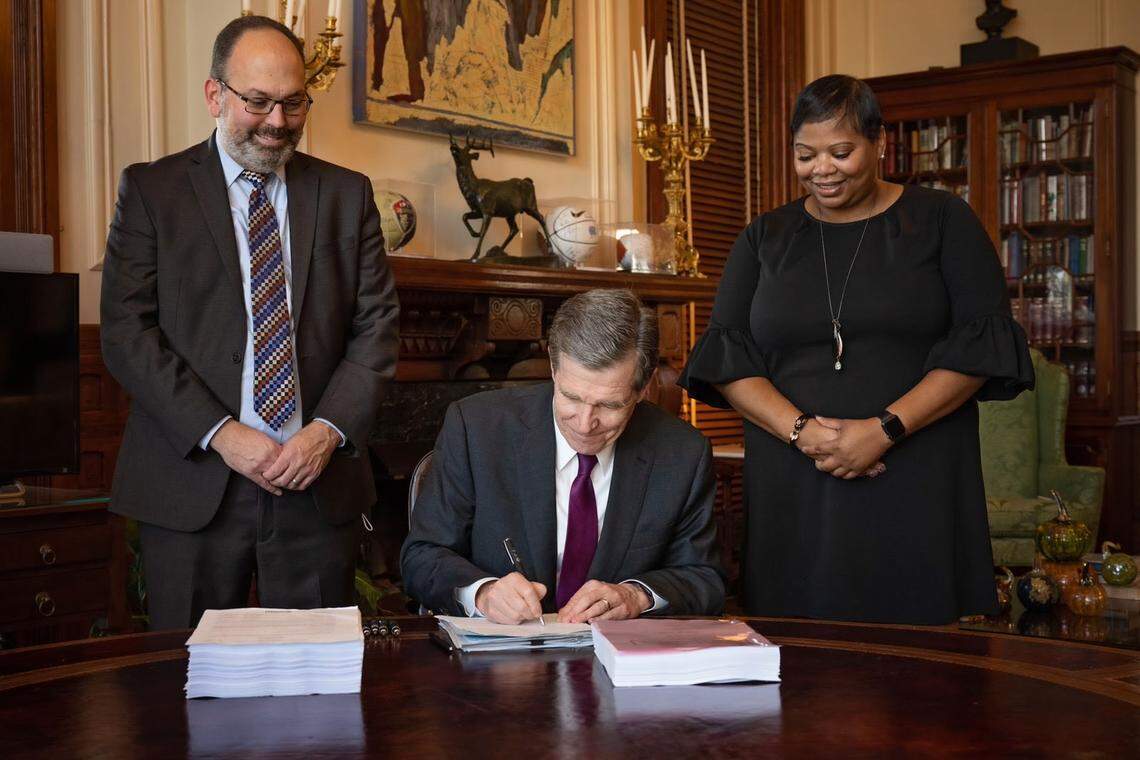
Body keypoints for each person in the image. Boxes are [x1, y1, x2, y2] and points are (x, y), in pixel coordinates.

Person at [678, 74, 1034, 625]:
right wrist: (805, 433)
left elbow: (979, 346)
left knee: (922, 663)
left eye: (840, 152)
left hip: (915, 468)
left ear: (880, 143)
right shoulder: (764, 236)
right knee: (797, 658)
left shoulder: (942, 220)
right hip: (794, 474)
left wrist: (883, 430)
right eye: (805, 154)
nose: (822, 169)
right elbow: (728, 359)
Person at [100, 16, 400, 630]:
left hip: (315, 482)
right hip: (194, 482)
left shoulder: (346, 195)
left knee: (318, 692)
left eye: (293, 104)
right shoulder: (153, 191)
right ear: (216, 96)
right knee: (184, 686)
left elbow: (376, 330)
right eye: (258, 102)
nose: (277, 123)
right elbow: (128, 335)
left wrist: (326, 431)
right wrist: (223, 434)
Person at [401, 289, 724, 624]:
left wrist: (637, 595)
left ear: (643, 389)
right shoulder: (477, 429)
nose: (585, 424)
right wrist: (482, 593)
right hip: (499, 662)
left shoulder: (682, 453)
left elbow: (705, 579)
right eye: (571, 397)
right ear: (554, 369)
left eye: (609, 405)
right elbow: (422, 556)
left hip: (619, 663)